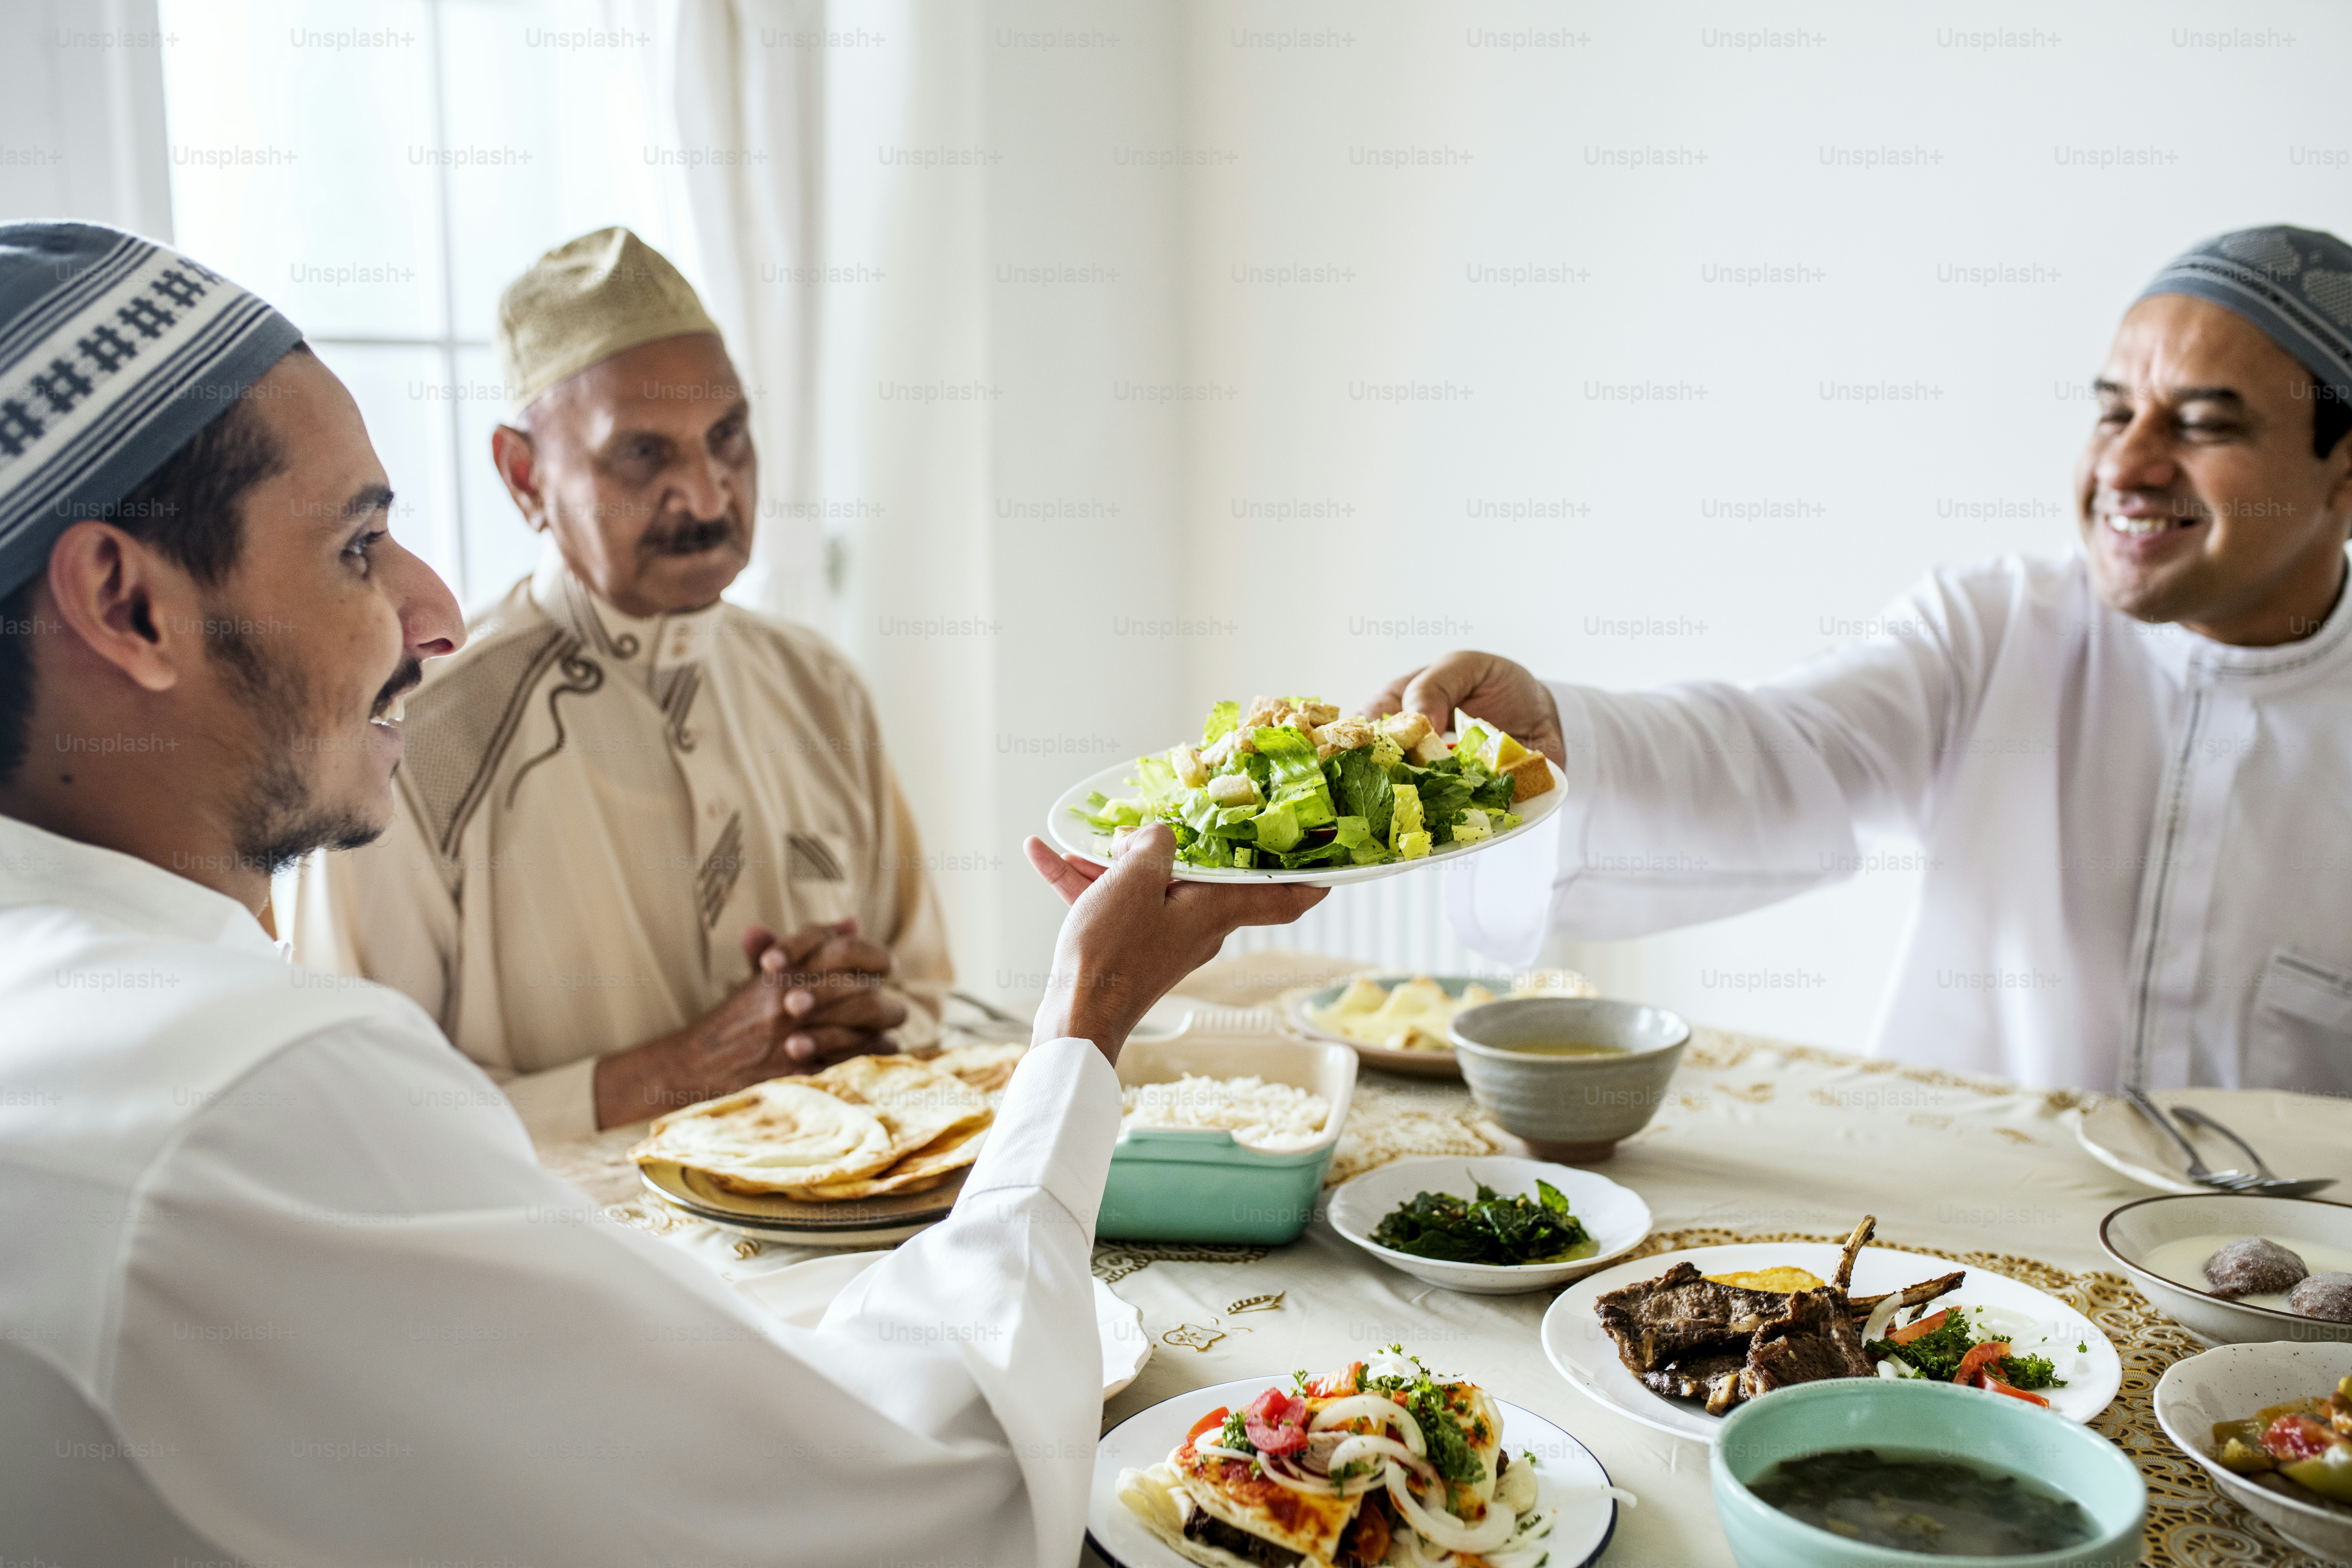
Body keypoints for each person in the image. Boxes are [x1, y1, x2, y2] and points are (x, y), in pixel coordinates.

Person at [0, 222, 1323, 1565]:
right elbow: (919, 1501)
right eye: (358, 545)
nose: (431, 608)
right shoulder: (295, 1009)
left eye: (731, 441)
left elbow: (932, 1029)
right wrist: (1083, 1013)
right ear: (125, 603)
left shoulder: (816, 689)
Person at [1377, 225, 2352, 1095]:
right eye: (2111, 412)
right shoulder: (1994, 626)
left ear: (2341, 478)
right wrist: (1560, 734)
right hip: (1979, 1245)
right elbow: (1779, 745)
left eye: (2201, 424)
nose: (2124, 466)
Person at [293, 227, 952, 1138]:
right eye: (643, 455)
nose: (710, 496)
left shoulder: (820, 691)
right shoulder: (413, 736)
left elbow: (927, 1002)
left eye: (729, 439)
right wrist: (672, 1076)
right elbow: (359, 1118)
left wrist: (857, 1021)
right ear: (526, 478)